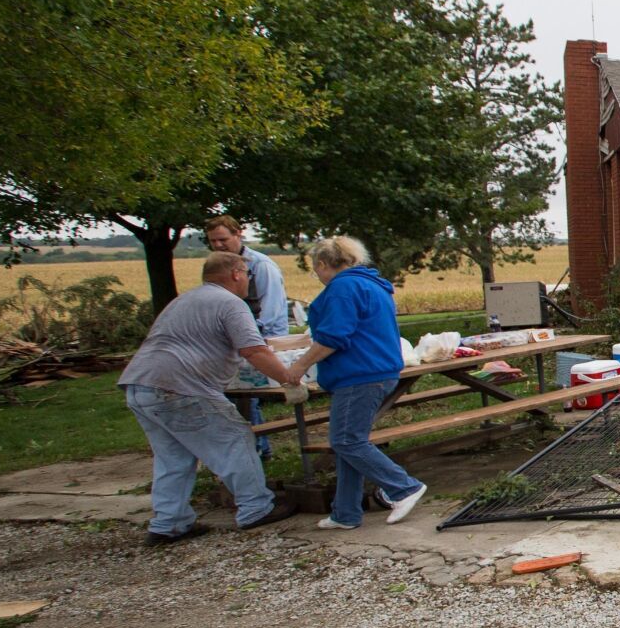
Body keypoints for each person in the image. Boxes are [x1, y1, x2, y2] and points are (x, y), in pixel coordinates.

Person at [120, 252, 304, 546]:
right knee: (236, 438)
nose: (247, 281)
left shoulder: (184, 301)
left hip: (139, 385)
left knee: (173, 458)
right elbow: (254, 351)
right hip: (180, 388)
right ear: (236, 273)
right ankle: (255, 507)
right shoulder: (231, 303)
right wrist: (288, 378)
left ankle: (169, 523)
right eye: (246, 275)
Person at [284, 236, 426, 529]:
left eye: (316, 270)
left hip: (359, 373)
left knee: (346, 440)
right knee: (349, 443)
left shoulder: (343, 288)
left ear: (323, 264)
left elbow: (333, 336)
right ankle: (345, 512)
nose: (318, 276)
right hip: (378, 370)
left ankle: (404, 487)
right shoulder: (373, 284)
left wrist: (299, 365)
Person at [203, 215, 288, 448]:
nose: (218, 245)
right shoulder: (219, 266)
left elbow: (271, 310)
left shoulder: (261, 266)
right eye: (213, 241)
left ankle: (257, 447)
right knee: (235, 395)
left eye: (223, 239)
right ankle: (251, 446)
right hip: (234, 340)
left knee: (246, 394)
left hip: (261, 339)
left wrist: (250, 337)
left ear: (238, 234)